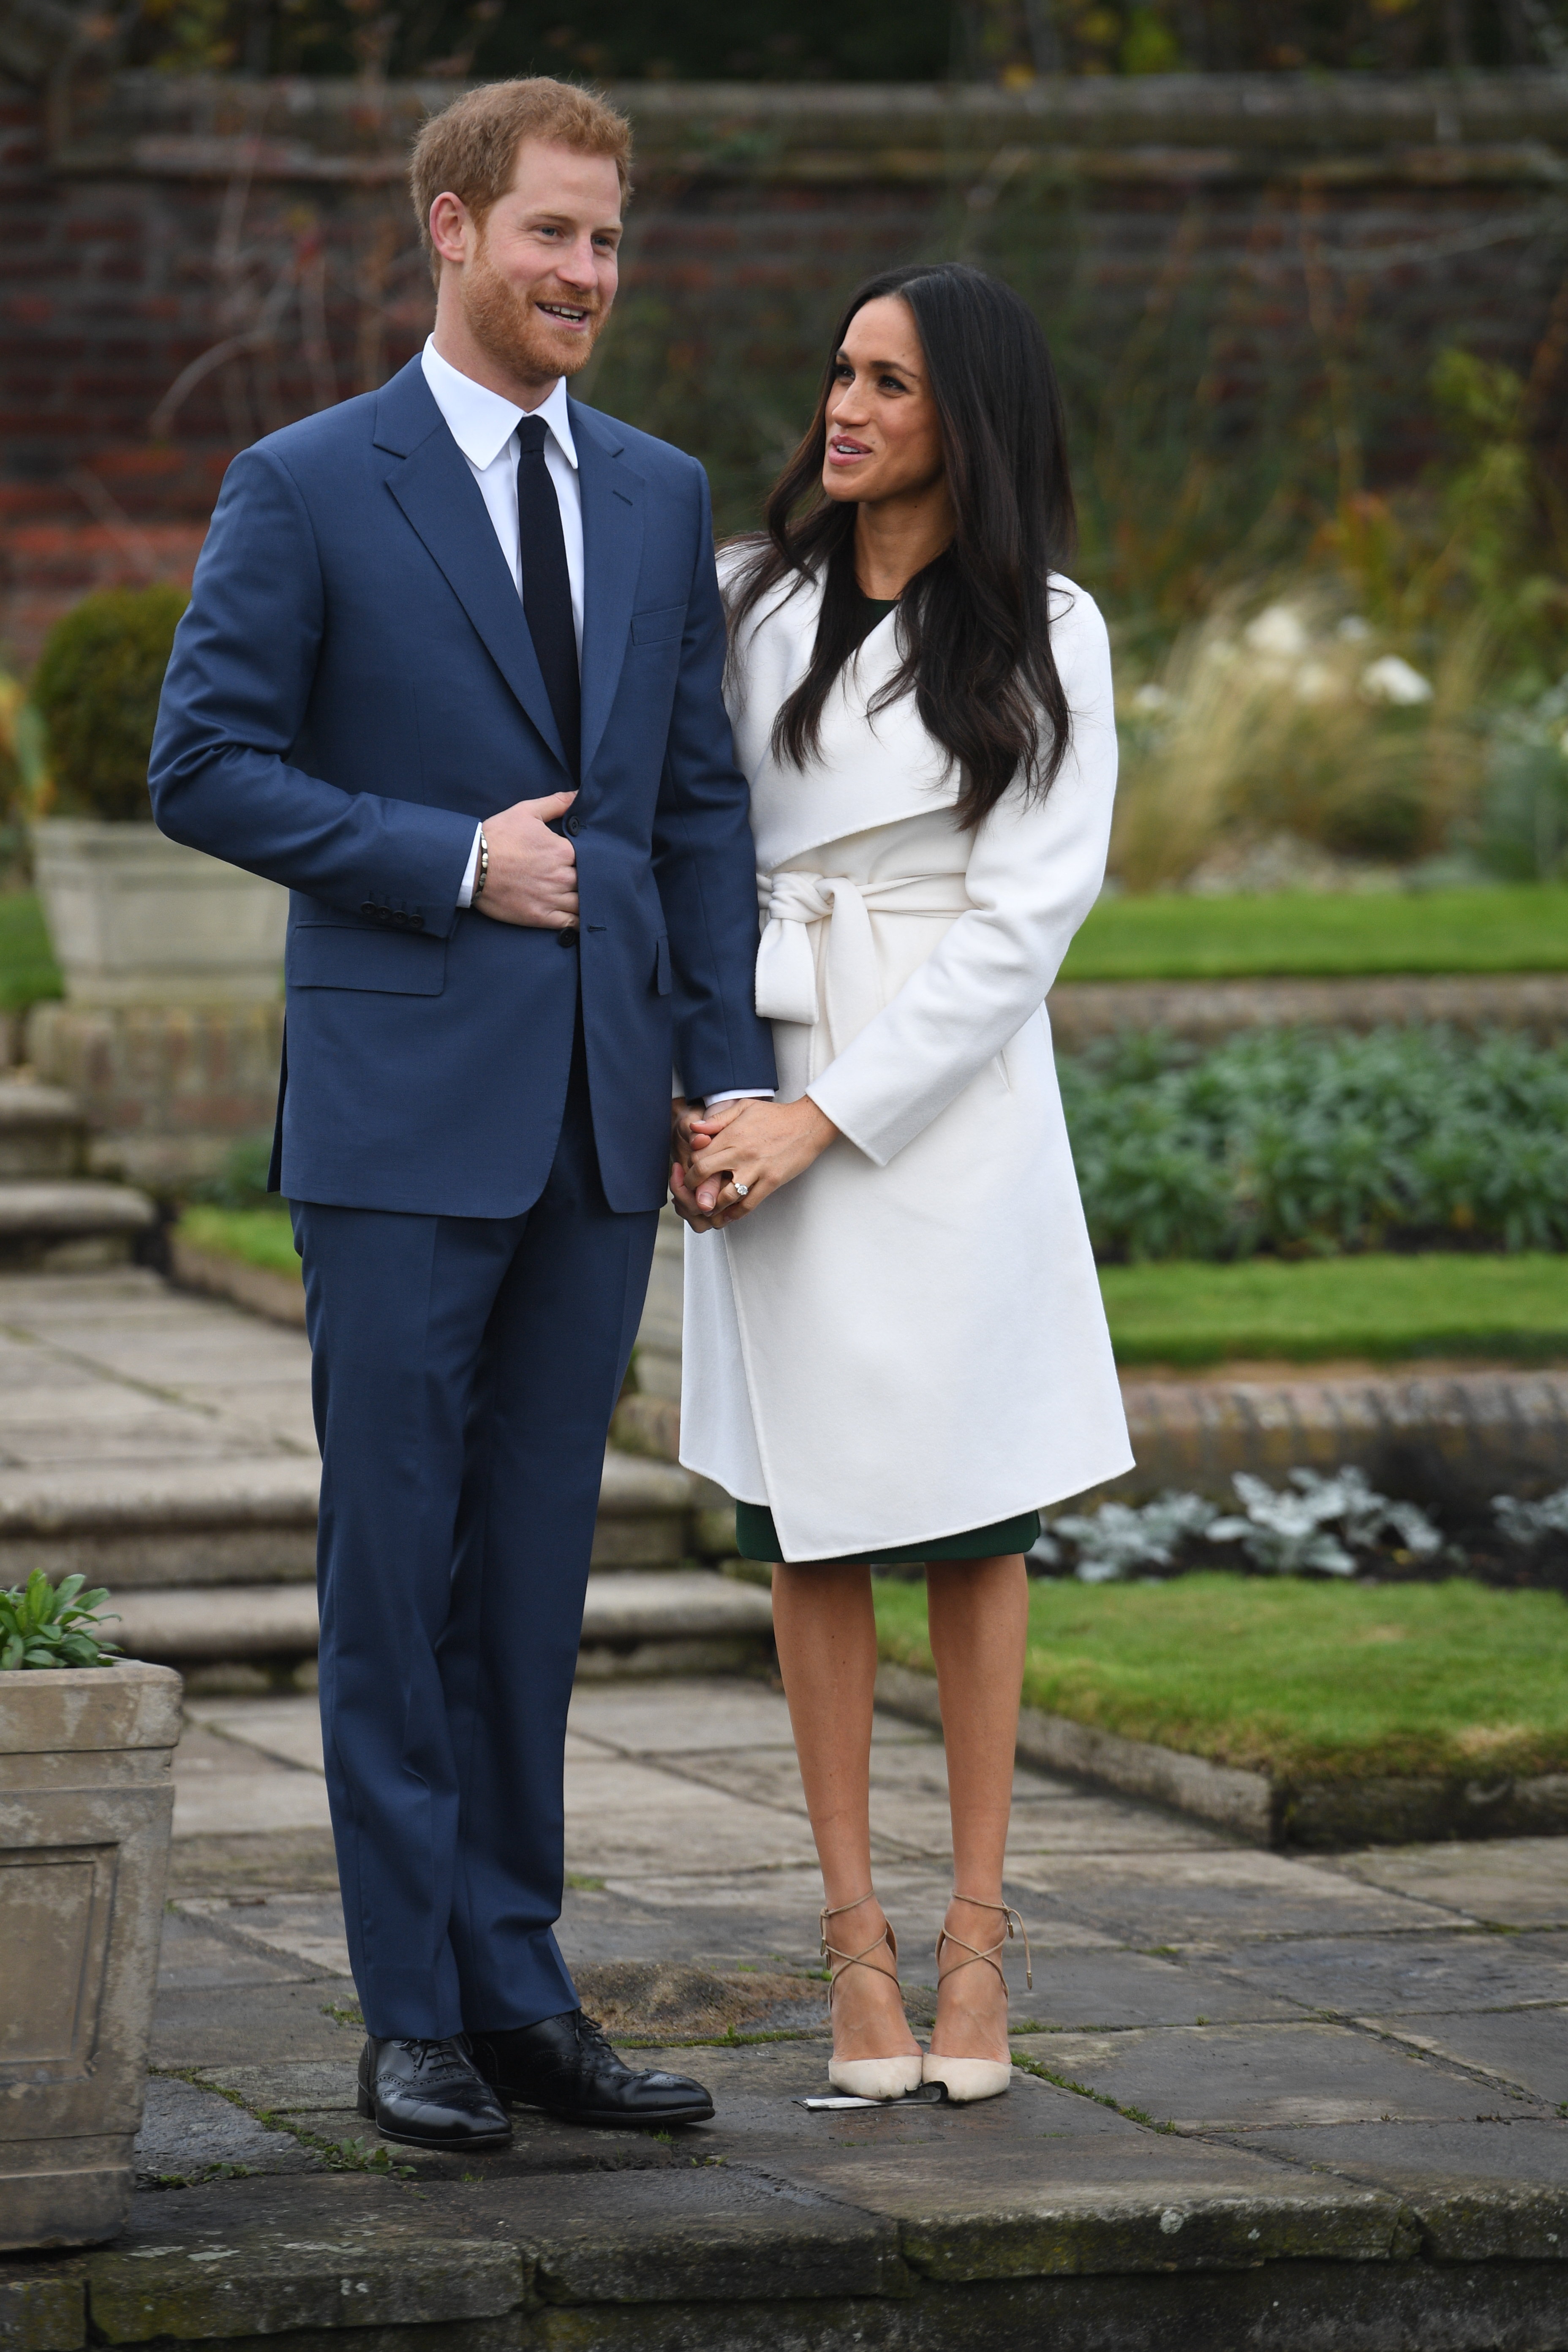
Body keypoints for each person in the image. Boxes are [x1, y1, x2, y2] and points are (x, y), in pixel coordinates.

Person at [150, 78, 776, 2151]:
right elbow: (206, 762)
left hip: (601, 1127)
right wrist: (447, 858)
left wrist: (723, 1069)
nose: (587, 275)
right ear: (449, 227)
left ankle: (521, 1997)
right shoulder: (309, 482)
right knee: (393, 1575)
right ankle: (409, 2008)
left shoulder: (663, 492)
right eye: (552, 237)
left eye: (610, 242)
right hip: (403, 1127)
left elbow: (693, 806)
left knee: (526, 1590)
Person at [672, 263, 1133, 2104]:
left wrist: (831, 1118)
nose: (842, 409)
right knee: (815, 1522)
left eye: (889, 384)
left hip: (944, 1104)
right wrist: (709, 1097)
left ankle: (980, 1937)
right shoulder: (744, 601)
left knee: (977, 1513)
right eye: (839, 373)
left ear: (973, 421)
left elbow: (1026, 920)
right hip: (759, 1062)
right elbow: (681, 839)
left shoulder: (1048, 625)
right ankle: (853, 1942)